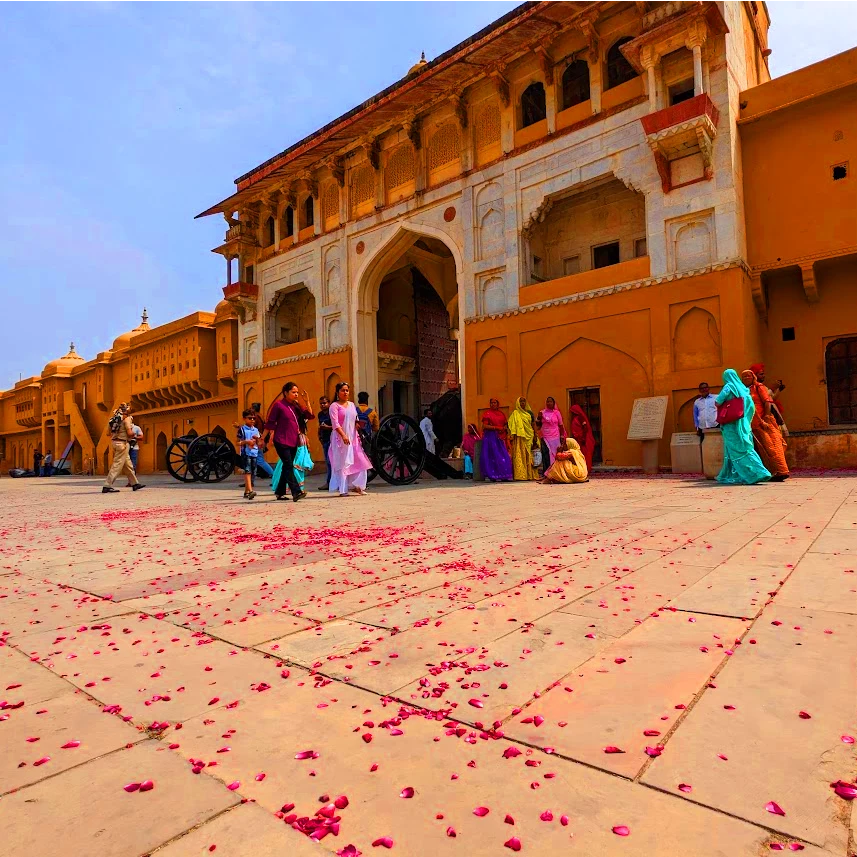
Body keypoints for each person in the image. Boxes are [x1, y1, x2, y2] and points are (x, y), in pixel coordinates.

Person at [715, 369, 771, 485]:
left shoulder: (728, 387)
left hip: (731, 425)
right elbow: (751, 408)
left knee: (737, 450)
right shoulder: (744, 390)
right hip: (743, 425)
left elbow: (718, 402)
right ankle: (734, 473)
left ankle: (757, 472)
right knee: (745, 447)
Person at [264, 382, 314, 502]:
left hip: (293, 441)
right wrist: (262, 438)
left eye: (297, 392)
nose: (296, 394)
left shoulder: (296, 405)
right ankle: (296, 492)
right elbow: (270, 423)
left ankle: (279, 492)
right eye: (293, 392)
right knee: (288, 465)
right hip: (281, 440)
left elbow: (309, 415)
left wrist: (307, 401)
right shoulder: (279, 405)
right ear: (286, 393)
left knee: (287, 466)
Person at [741, 368, 790, 481]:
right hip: (752, 424)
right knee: (761, 449)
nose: (746, 378)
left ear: (753, 377)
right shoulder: (744, 390)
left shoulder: (759, 387)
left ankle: (781, 471)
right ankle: (770, 472)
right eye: (744, 377)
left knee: (772, 446)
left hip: (764, 422)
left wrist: (766, 418)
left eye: (749, 376)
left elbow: (768, 402)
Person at [329, 382, 372, 496]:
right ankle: (343, 489)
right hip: (340, 439)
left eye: (347, 390)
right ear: (337, 392)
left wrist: (358, 426)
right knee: (343, 463)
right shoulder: (334, 406)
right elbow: (335, 423)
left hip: (353, 438)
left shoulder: (352, 405)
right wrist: (343, 435)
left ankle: (358, 486)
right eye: (343, 390)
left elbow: (355, 420)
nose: (345, 392)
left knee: (360, 460)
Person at [103, 404, 145, 493]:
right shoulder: (126, 419)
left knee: (128, 465)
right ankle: (107, 485)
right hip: (122, 443)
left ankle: (134, 483)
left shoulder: (112, 420)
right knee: (117, 465)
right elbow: (130, 433)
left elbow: (107, 433)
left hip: (115, 442)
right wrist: (134, 435)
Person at [750, 363, 789, 437]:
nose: (763, 376)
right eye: (761, 374)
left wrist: (778, 390)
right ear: (755, 375)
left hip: (772, 413)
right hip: (763, 415)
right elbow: (764, 398)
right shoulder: (754, 388)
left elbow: (772, 398)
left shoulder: (762, 386)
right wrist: (772, 389)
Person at [480, 399, 513, 482]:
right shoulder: (487, 414)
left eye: (494, 403)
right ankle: (493, 475)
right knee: (493, 456)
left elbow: (505, 424)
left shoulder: (501, 414)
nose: (493, 404)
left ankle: (504, 475)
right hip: (491, 438)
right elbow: (485, 426)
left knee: (503, 455)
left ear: (498, 404)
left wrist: (504, 429)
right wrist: (497, 428)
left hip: (501, 437)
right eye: (491, 403)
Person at [429, 380, 463, 457]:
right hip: (449, 426)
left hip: (444, 425)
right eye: (450, 383)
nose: (453, 384)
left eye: (453, 383)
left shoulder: (450, 396)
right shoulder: (452, 396)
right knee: (448, 442)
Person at [507, 396, 538, 481]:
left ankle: (530, 474)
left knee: (530, 455)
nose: (522, 403)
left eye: (524, 401)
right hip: (520, 438)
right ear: (518, 403)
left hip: (529, 436)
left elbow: (533, 424)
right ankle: (521, 474)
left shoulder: (529, 413)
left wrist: (535, 434)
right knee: (521, 455)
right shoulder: (515, 414)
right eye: (521, 401)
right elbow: (511, 426)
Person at [237, 409, 260, 500]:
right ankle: (250, 491)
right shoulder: (242, 429)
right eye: (250, 418)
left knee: (253, 472)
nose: (252, 420)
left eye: (254, 418)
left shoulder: (256, 430)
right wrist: (246, 442)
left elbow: (259, 441)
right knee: (248, 471)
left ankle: (246, 492)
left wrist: (256, 441)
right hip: (245, 453)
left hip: (254, 452)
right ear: (244, 419)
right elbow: (237, 442)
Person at [536, 397, 565, 469]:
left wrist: (562, 436)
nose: (549, 403)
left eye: (550, 402)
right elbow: (538, 426)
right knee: (546, 455)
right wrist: (539, 418)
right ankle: (546, 473)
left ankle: (556, 472)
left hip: (555, 437)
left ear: (553, 403)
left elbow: (561, 425)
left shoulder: (557, 413)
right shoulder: (542, 412)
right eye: (547, 402)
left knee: (555, 455)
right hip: (545, 437)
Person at [568, 405, 596, 472]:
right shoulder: (576, 418)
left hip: (584, 439)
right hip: (579, 439)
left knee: (585, 454)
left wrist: (583, 438)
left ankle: (586, 468)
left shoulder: (580, 418)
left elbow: (585, 428)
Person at [317, 395, 333, 491]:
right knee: (328, 462)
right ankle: (329, 481)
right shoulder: (320, 414)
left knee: (330, 462)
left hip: (333, 439)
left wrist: (327, 427)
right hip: (325, 440)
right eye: (321, 403)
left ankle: (330, 482)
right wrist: (319, 436)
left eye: (324, 403)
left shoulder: (332, 413)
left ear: (329, 403)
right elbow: (320, 426)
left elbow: (336, 426)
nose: (322, 405)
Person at [126, 418, 144, 486]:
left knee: (133, 464)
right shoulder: (124, 428)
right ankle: (131, 481)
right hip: (126, 448)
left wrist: (134, 437)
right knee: (127, 465)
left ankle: (132, 482)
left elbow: (141, 437)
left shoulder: (136, 428)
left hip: (134, 448)